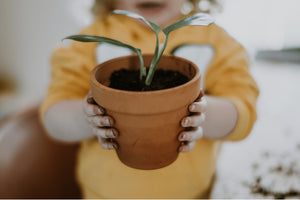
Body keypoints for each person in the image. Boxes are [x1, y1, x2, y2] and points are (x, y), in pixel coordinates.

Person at [41, 0, 259, 198]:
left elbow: (243, 110)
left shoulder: (213, 39)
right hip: (104, 194)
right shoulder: (93, 40)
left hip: (192, 194)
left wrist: (200, 113)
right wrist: (87, 116)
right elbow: (54, 115)